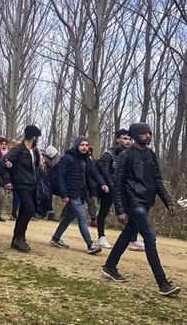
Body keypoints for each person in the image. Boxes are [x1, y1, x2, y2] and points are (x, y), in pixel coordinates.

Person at [101, 123, 181, 296]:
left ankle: (109, 266)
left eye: (150, 133)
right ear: (136, 135)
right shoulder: (125, 155)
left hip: (146, 202)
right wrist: (120, 210)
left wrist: (169, 202)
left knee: (127, 234)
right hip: (133, 203)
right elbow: (117, 183)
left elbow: (158, 180)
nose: (149, 136)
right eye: (144, 133)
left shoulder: (151, 154)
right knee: (150, 238)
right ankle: (162, 283)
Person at [49, 136, 107, 255]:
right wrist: (64, 194)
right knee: (82, 217)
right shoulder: (68, 158)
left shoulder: (87, 160)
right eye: (82, 145)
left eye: (86, 145)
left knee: (68, 217)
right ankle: (90, 245)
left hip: (80, 193)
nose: (85, 147)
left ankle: (56, 238)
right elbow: (60, 176)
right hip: (71, 193)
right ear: (76, 146)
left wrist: (103, 183)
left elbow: (94, 172)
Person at [97, 129, 141, 250]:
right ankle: (101, 237)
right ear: (118, 139)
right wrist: (113, 187)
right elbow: (105, 172)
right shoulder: (108, 154)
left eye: (129, 139)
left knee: (132, 213)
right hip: (108, 189)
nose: (127, 141)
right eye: (124, 138)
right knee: (103, 212)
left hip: (126, 189)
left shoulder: (130, 154)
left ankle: (133, 239)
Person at [2, 125, 44, 252]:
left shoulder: (34, 150)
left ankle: (18, 238)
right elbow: (4, 161)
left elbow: (35, 166)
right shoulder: (19, 149)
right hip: (21, 183)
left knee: (23, 211)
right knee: (30, 210)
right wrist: (8, 179)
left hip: (32, 183)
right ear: (33, 137)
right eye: (37, 137)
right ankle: (19, 237)